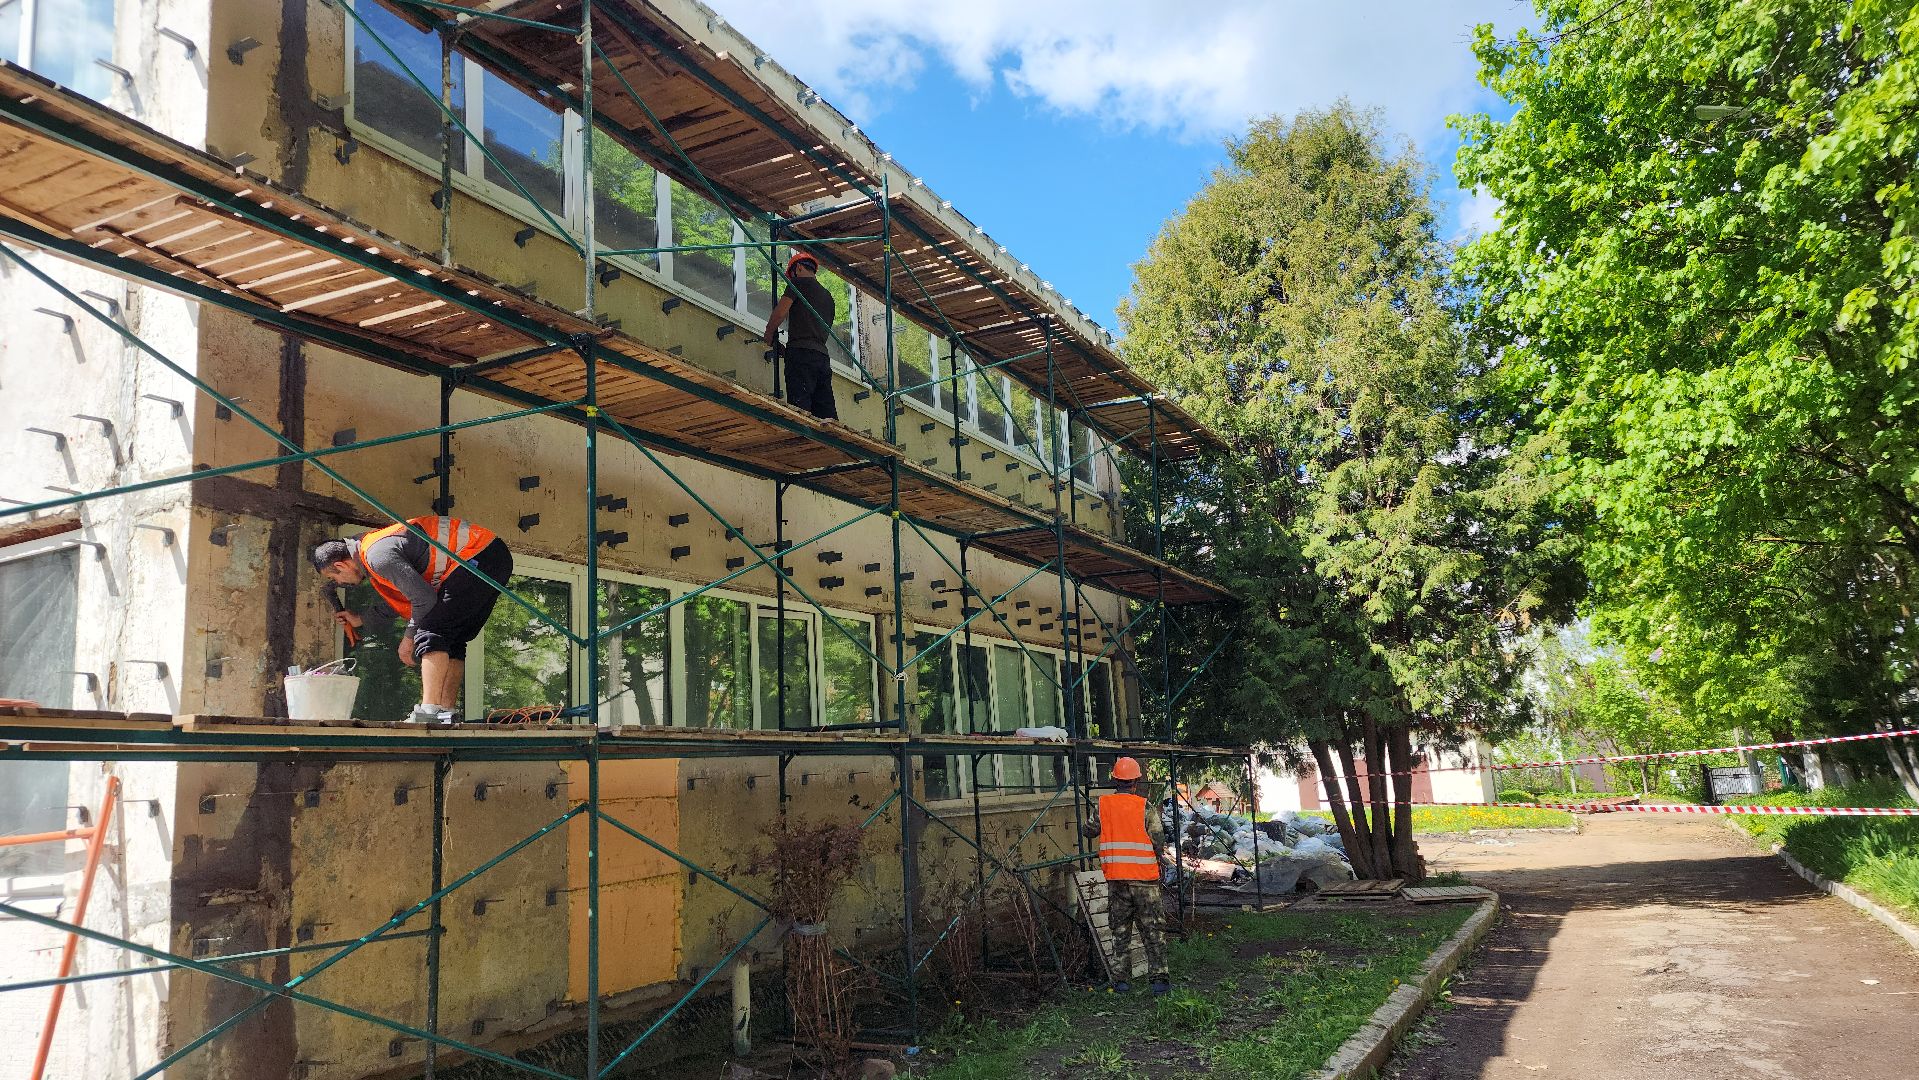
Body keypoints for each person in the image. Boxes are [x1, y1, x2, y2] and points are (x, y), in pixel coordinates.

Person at [310, 516, 512, 724]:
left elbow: (424, 599)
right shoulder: (371, 550)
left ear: (341, 565)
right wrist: (361, 619)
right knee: (452, 638)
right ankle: (445, 712)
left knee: (431, 631)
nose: (339, 583)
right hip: (491, 556)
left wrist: (409, 639)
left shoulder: (377, 556)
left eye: (333, 578)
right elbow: (404, 597)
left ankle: (429, 712)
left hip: (476, 555)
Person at [1081, 756, 1172, 995]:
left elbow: (1089, 830)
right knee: (1153, 929)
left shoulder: (1103, 805)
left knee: (1120, 930)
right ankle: (1159, 981)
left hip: (1117, 880)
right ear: (1136, 782)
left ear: (1115, 780)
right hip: (1144, 881)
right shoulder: (1145, 807)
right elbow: (1158, 839)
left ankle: (1121, 981)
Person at [761, 251, 838, 421]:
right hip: (822, 357)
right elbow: (813, 329)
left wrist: (769, 333)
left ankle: (802, 433)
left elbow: (780, 313)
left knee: (800, 408)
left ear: (799, 268)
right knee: (825, 412)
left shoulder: (798, 284)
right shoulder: (828, 297)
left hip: (801, 355)